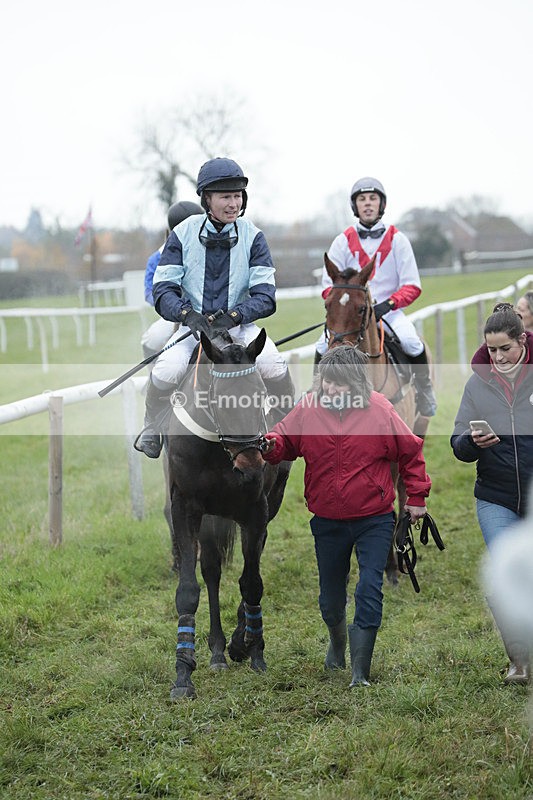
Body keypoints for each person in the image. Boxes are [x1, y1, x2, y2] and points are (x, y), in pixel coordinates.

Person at [262, 346, 431, 688]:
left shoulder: (381, 410)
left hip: (375, 519)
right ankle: (338, 644)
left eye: (338, 384)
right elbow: (285, 440)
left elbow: (410, 452)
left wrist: (416, 497)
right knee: (329, 597)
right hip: (327, 521)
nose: (331, 390)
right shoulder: (308, 409)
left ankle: (360, 672)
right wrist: (269, 445)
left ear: (355, 383)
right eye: (327, 383)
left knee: (369, 587)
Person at [135, 157, 294, 459]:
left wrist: (235, 315)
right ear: (207, 199)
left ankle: (288, 429)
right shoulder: (182, 234)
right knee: (167, 370)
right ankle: (152, 429)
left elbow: (266, 296)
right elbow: (162, 290)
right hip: (193, 330)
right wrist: (187, 314)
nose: (233, 204)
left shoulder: (254, 236)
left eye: (237, 196)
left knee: (274, 364)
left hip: (240, 327)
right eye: (226, 197)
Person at [451, 302, 533, 684]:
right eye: (491, 350)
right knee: (505, 573)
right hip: (495, 497)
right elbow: (456, 443)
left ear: (522, 340)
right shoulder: (476, 384)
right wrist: (472, 441)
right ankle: (518, 661)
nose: (497, 357)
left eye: (505, 349)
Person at [316, 177, 437, 418]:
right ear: (355, 206)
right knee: (321, 344)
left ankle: (424, 391)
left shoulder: (398, 239)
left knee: (412, 341)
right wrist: (344, 307)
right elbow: (328, 287)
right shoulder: (342, 241)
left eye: (373, 199)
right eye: (362, 199)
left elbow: (412, 285)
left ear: (381, 204)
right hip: (352, 314)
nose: (368, 204)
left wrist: (389, 304)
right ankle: (315, 393)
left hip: (389, 311)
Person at [140, 200, 204, 359]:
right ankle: (153, 376)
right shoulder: (157, 259)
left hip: (211, 311)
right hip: (175, 315)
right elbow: (150, 292)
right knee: (152, 339)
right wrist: (173, 305)